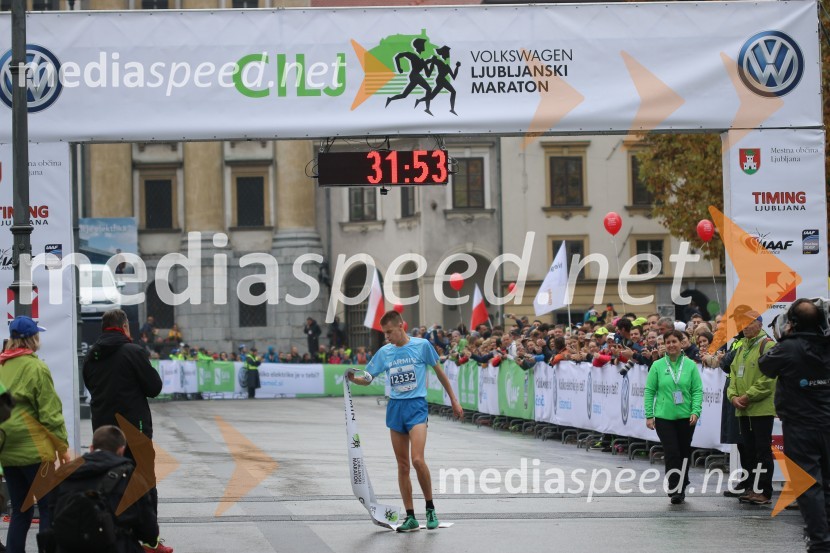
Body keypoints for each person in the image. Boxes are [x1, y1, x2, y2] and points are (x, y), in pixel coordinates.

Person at [348, 311, 462, 532]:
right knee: (402, 465)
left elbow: (440, 373)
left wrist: (454, 401)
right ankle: (410, 516)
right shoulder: (385, 352)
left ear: (401, 326)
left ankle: (430, 508)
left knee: (418, 460)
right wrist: (354, 379)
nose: (387, 337)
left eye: (389, 332)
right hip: (396, 409)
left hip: (416, 407)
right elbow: (368, 378)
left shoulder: (422, 346)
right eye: (385, 333)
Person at [82, 309, 170, 553]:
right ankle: (150, 541)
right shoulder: (133, 352)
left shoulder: (92, 355)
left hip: (104, 430)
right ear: (124, 327)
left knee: (107, 480)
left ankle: (110, 534)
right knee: (143, 481)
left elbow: (89, 384)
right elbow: (154, 388)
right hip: (135, 429)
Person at [759, 299, 830, 552]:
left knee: (808, 484)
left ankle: (820, 541)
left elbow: (765, 365)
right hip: (825, 421)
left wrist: (785, 337)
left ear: (792, 323)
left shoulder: (788, 348)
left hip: (800, 425)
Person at [0, 316, 70, 553]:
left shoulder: (2, 366)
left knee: (20, 510)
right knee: (49, 507)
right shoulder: (37, 368)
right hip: (35, 451)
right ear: (33, 338)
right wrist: (62, 448)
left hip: (8, 451)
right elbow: (51, 414)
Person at [43, 425, 165, 553]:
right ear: (121, 450)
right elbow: (149, 532)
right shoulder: (131, 478)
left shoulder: (63, 474)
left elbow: (52, 518)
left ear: (91, 448)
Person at [644, 329, 703, 504]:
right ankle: (674, 486)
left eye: (674, 342)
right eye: (667, 342)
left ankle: (682, 484)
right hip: (664, 417)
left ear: (681, 343)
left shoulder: (690, 365)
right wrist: (649, 414)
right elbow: (649, 391)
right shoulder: (658, 365)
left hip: (686, 417)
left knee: (684, 452)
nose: (670, 345)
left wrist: (695, 411)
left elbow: (697, 390)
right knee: (672, 453)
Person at [724, 306, 776, 505]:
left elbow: (769, 379)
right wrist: (733, 396)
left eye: (748, 322)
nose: (743, 326)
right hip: (741, 409)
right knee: (749, 450)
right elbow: (733, 376)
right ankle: (752, 488)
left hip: (760, 408)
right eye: (740, 322)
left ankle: (764, 491)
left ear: (759, 323)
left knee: (762, 450)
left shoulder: (767, 346)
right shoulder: (741, 347)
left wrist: (747, 396)